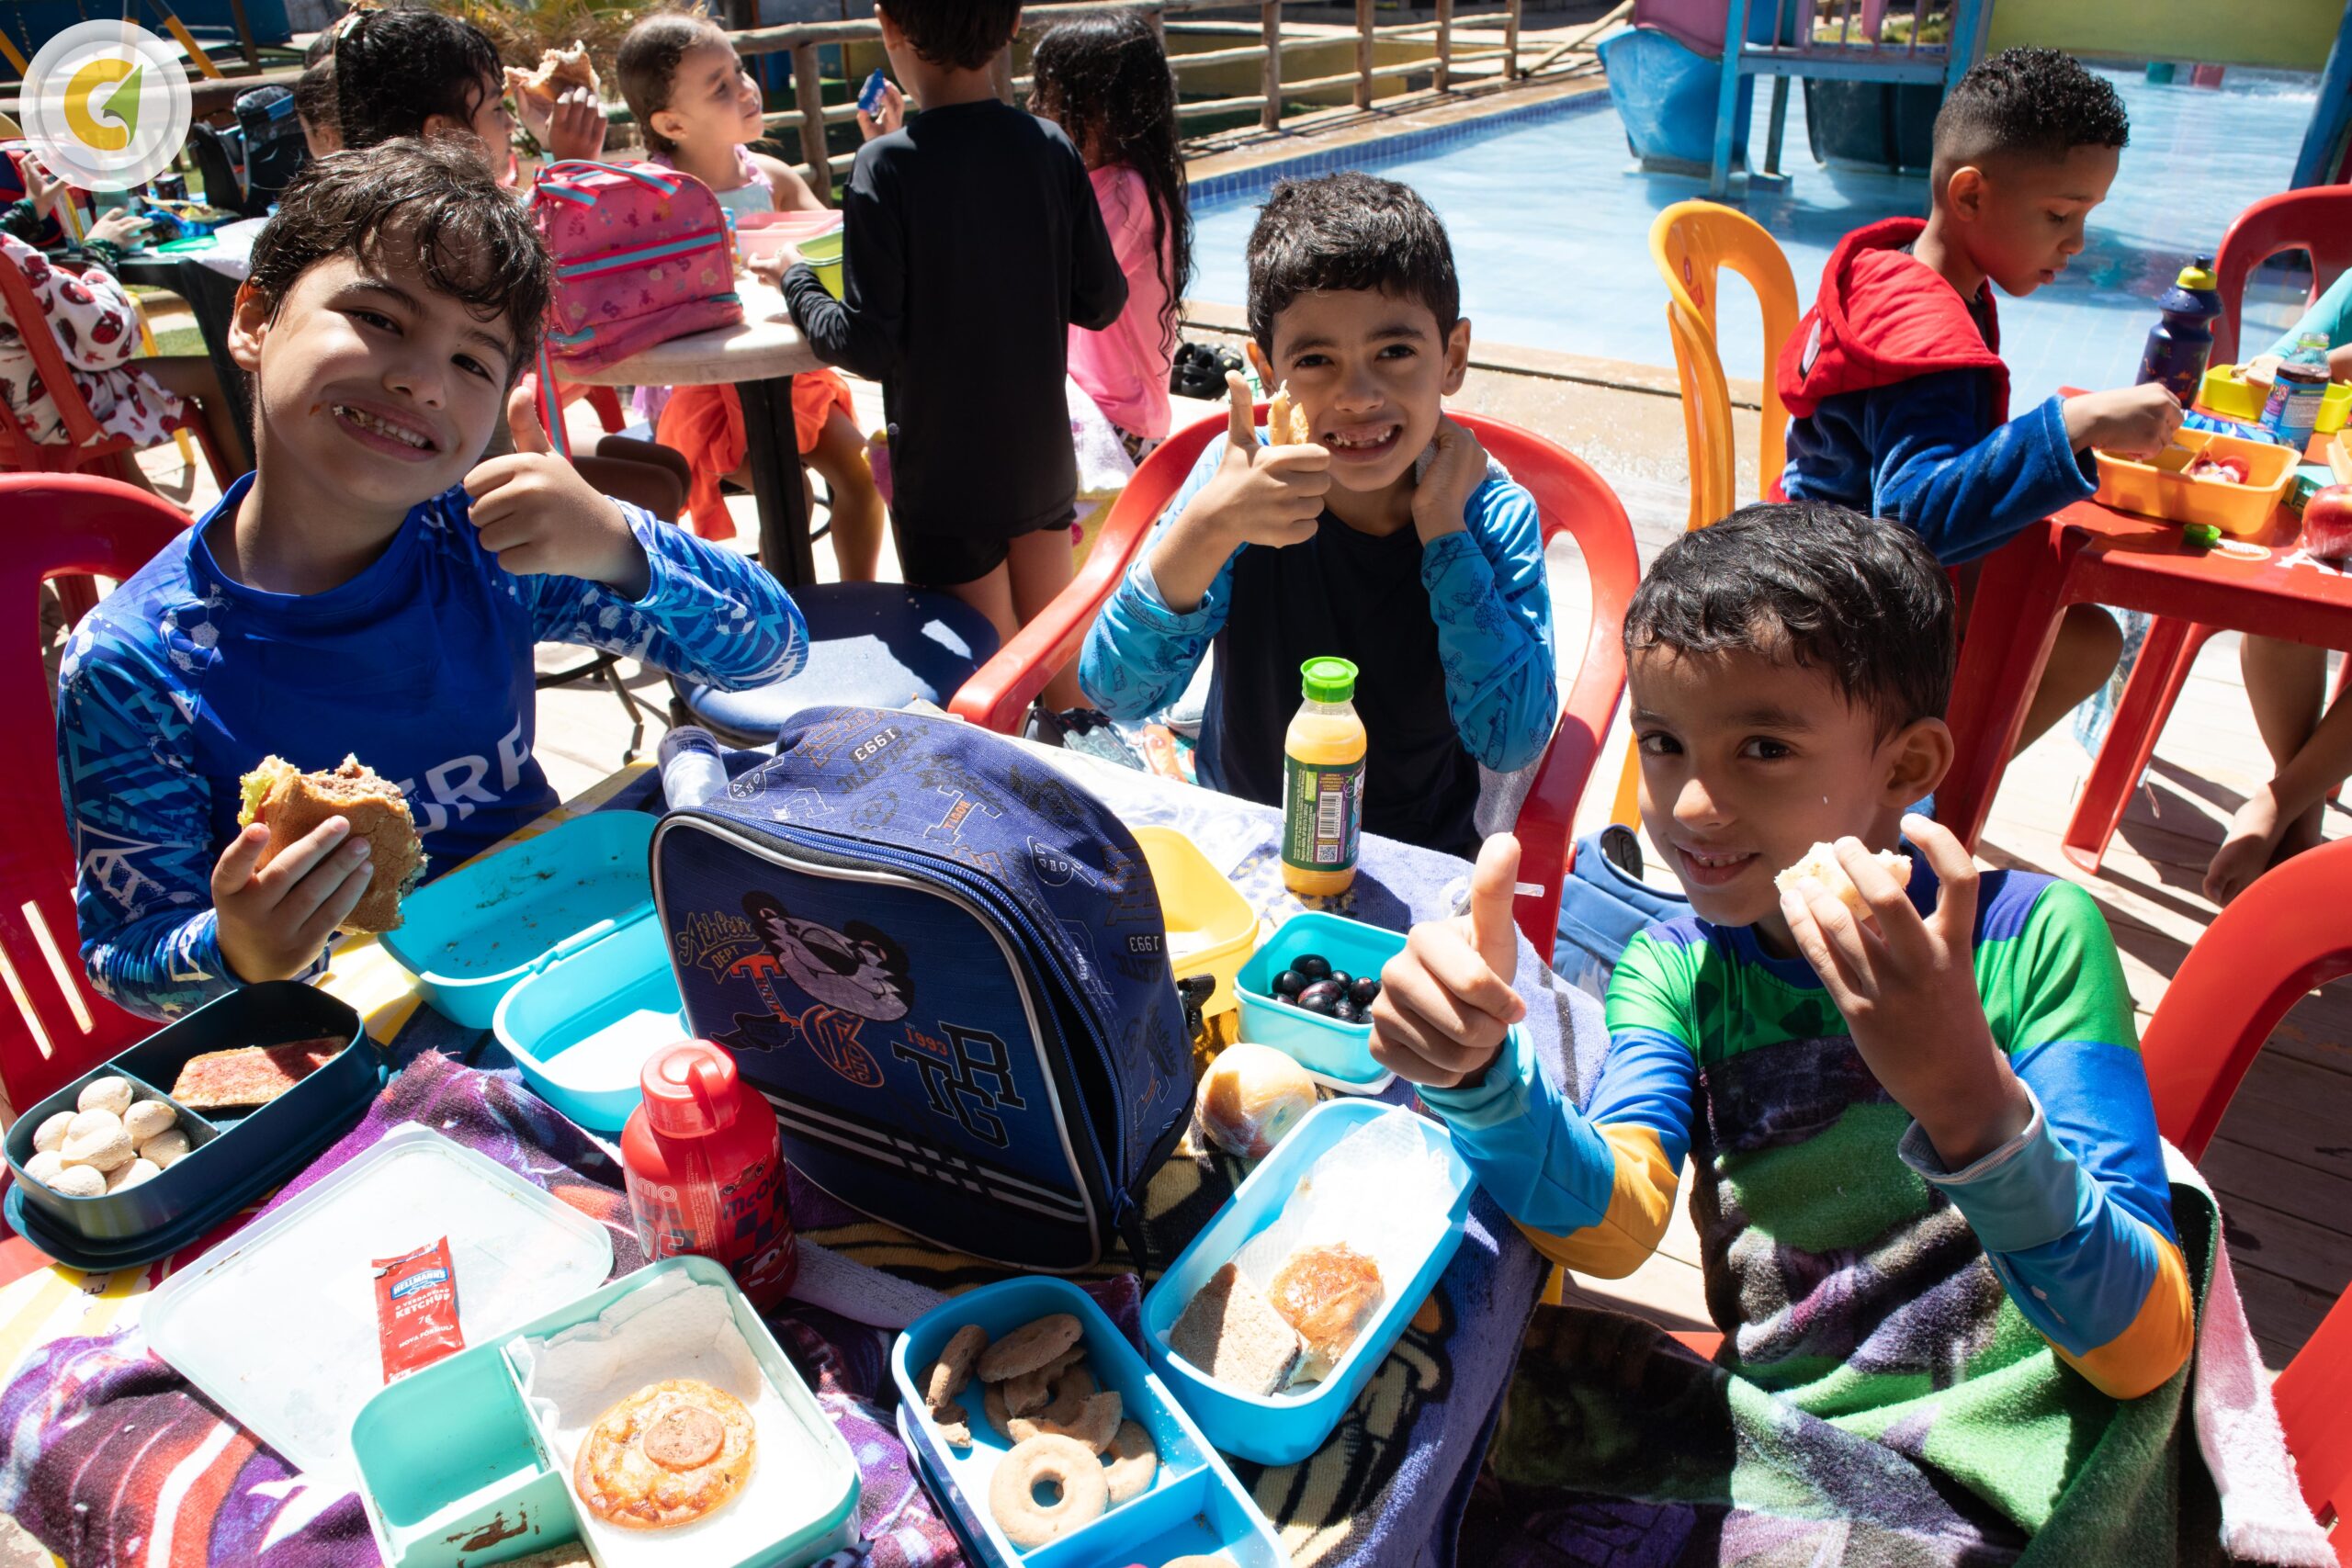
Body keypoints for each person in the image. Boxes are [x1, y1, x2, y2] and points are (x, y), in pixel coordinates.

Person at [1373, 502, 2201, 1558]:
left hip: (2006, 1480)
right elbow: (1619, 1228)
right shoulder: (1675, 965)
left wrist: (1970, 1104)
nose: (1691, 807)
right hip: (1786, 1441)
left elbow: (2141, 1353)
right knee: (1421, 1407)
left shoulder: (2028, 940)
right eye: (1664, 744)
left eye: (1763, 748)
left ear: (1905, 767)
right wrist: (1485, 1081)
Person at [55, 140, 808, 1022]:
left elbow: (772, 653)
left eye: (473, 363)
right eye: (379, 318)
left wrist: (618, 541)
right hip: (343, 1024)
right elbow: (124, 953)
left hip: (561, 952)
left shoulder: (487, 548)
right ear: (254, 319)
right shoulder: (134, 664)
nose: (420, 381)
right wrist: (235, 949)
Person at [1077, 173, 1555, 860]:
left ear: (1452, 357)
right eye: (1315, 360)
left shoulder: (1489, 515)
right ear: (1268, 370)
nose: (1357, 395)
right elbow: (1117, 692)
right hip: (1245, 830)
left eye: (1394, 352)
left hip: (1418, 852)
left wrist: (1445, 531)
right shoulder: (1240, 484)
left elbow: (1512, 741)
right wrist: (1212, 527)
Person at [1779, 47, 2180, 752]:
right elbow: (1911, 517)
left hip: (1801, 561)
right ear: (1969, 196)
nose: (2077, 242)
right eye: (2059, 214)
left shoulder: (1900, 274)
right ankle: (1914, 788)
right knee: (2086, 641)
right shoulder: (1928, 339)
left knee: (2069, 608)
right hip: (1840, 622)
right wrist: (2076, 424)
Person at [765, 0, 1125, 711]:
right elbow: (1101, 299)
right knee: (1061, 677)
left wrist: (795, 279)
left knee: (989, 689)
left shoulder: (884, 167)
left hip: (948, 479)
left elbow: (866, 342)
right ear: (1013, 22)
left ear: (888, 25)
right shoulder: (1048, 145)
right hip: (1039, 458)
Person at [332, 6, 685, 523]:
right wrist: (568, 168)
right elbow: (573, 303)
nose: (510, 123)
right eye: (497, 108)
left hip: (457, 449)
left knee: (664, 471)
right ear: (445, 134)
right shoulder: (443, 232)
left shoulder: (379, 208)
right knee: (656, 487)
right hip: (450, 482)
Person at [615, 12, 884, 572]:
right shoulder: (649, 202)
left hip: (788, 380)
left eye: (738, 70)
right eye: (720, 87)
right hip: (699, 393)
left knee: (865, 475)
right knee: (790, 492)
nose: (746, 88)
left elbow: (840, 252)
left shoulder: (772, 179)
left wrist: (877, 151)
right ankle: (775, 612)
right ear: (672, 123)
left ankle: (859, 600)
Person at [1, 154, 245, 479]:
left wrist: (28, 212)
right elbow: (109, 336)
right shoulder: (8, 254)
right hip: (50, 415)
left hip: (8, 420)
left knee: (100, 376)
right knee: (217, 375)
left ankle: (136, 501)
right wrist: (100, 253)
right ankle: (248, 501)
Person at [1030, 10, 1193, 463]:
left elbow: (1039, 283)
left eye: (1049, 91)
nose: (1037, 105)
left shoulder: (1125, 193)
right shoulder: (1093, 182)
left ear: (1098, 103)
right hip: (1088, 403)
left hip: (1117, 426)